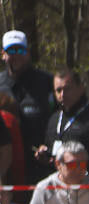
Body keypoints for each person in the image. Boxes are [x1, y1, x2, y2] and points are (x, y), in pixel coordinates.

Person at [42, 69, 89, 185]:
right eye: (58, 90)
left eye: (67, 89)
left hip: (88, 186)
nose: (62, 94)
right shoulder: (54, 119)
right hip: (58, 186)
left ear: (81, 88)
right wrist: (45, 154)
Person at [1, 30, 55, 178]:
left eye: (20, 50)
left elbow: (59, 118)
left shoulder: (47, 82)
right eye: (11, 50)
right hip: (7, 165)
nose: (16, 55)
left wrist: (49, 146)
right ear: (3, 54)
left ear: (28, 53)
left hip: (41, 164)